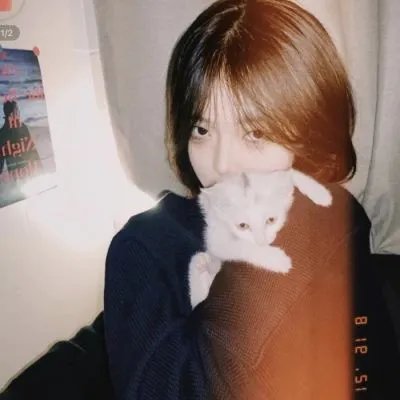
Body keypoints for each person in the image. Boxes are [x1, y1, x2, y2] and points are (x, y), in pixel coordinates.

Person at [1, 0, 398, 399]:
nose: (221, 163)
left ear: (309, 129)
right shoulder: (149, 245)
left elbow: (366, 371)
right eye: (202, 130)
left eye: (256, 132)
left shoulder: (335, 216)